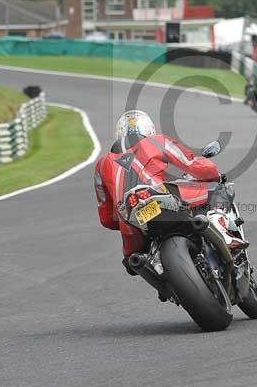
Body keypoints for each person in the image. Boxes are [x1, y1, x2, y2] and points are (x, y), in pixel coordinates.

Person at [94, 110, 246, 272]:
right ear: (149, 130)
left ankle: (160, 273)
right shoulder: (157, 142)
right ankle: (222, 231)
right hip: (160, 198)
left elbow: (107, 218)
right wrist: (214, 174)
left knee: (133, 261)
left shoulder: (102, 164)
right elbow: (192, 164)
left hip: (131, 223)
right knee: (217, 190)